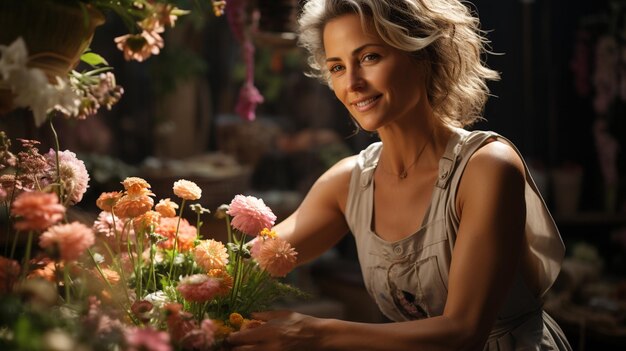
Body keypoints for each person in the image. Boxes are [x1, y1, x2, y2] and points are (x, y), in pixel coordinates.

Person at [228, 0, 572, 349]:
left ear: (423, 55)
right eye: (337, 67)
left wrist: (315, 333)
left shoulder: (487, 167)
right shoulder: (348, 182)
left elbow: (464, 332)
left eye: (369, 58)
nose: (353, 83)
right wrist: (181, 265)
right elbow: (246, 264)